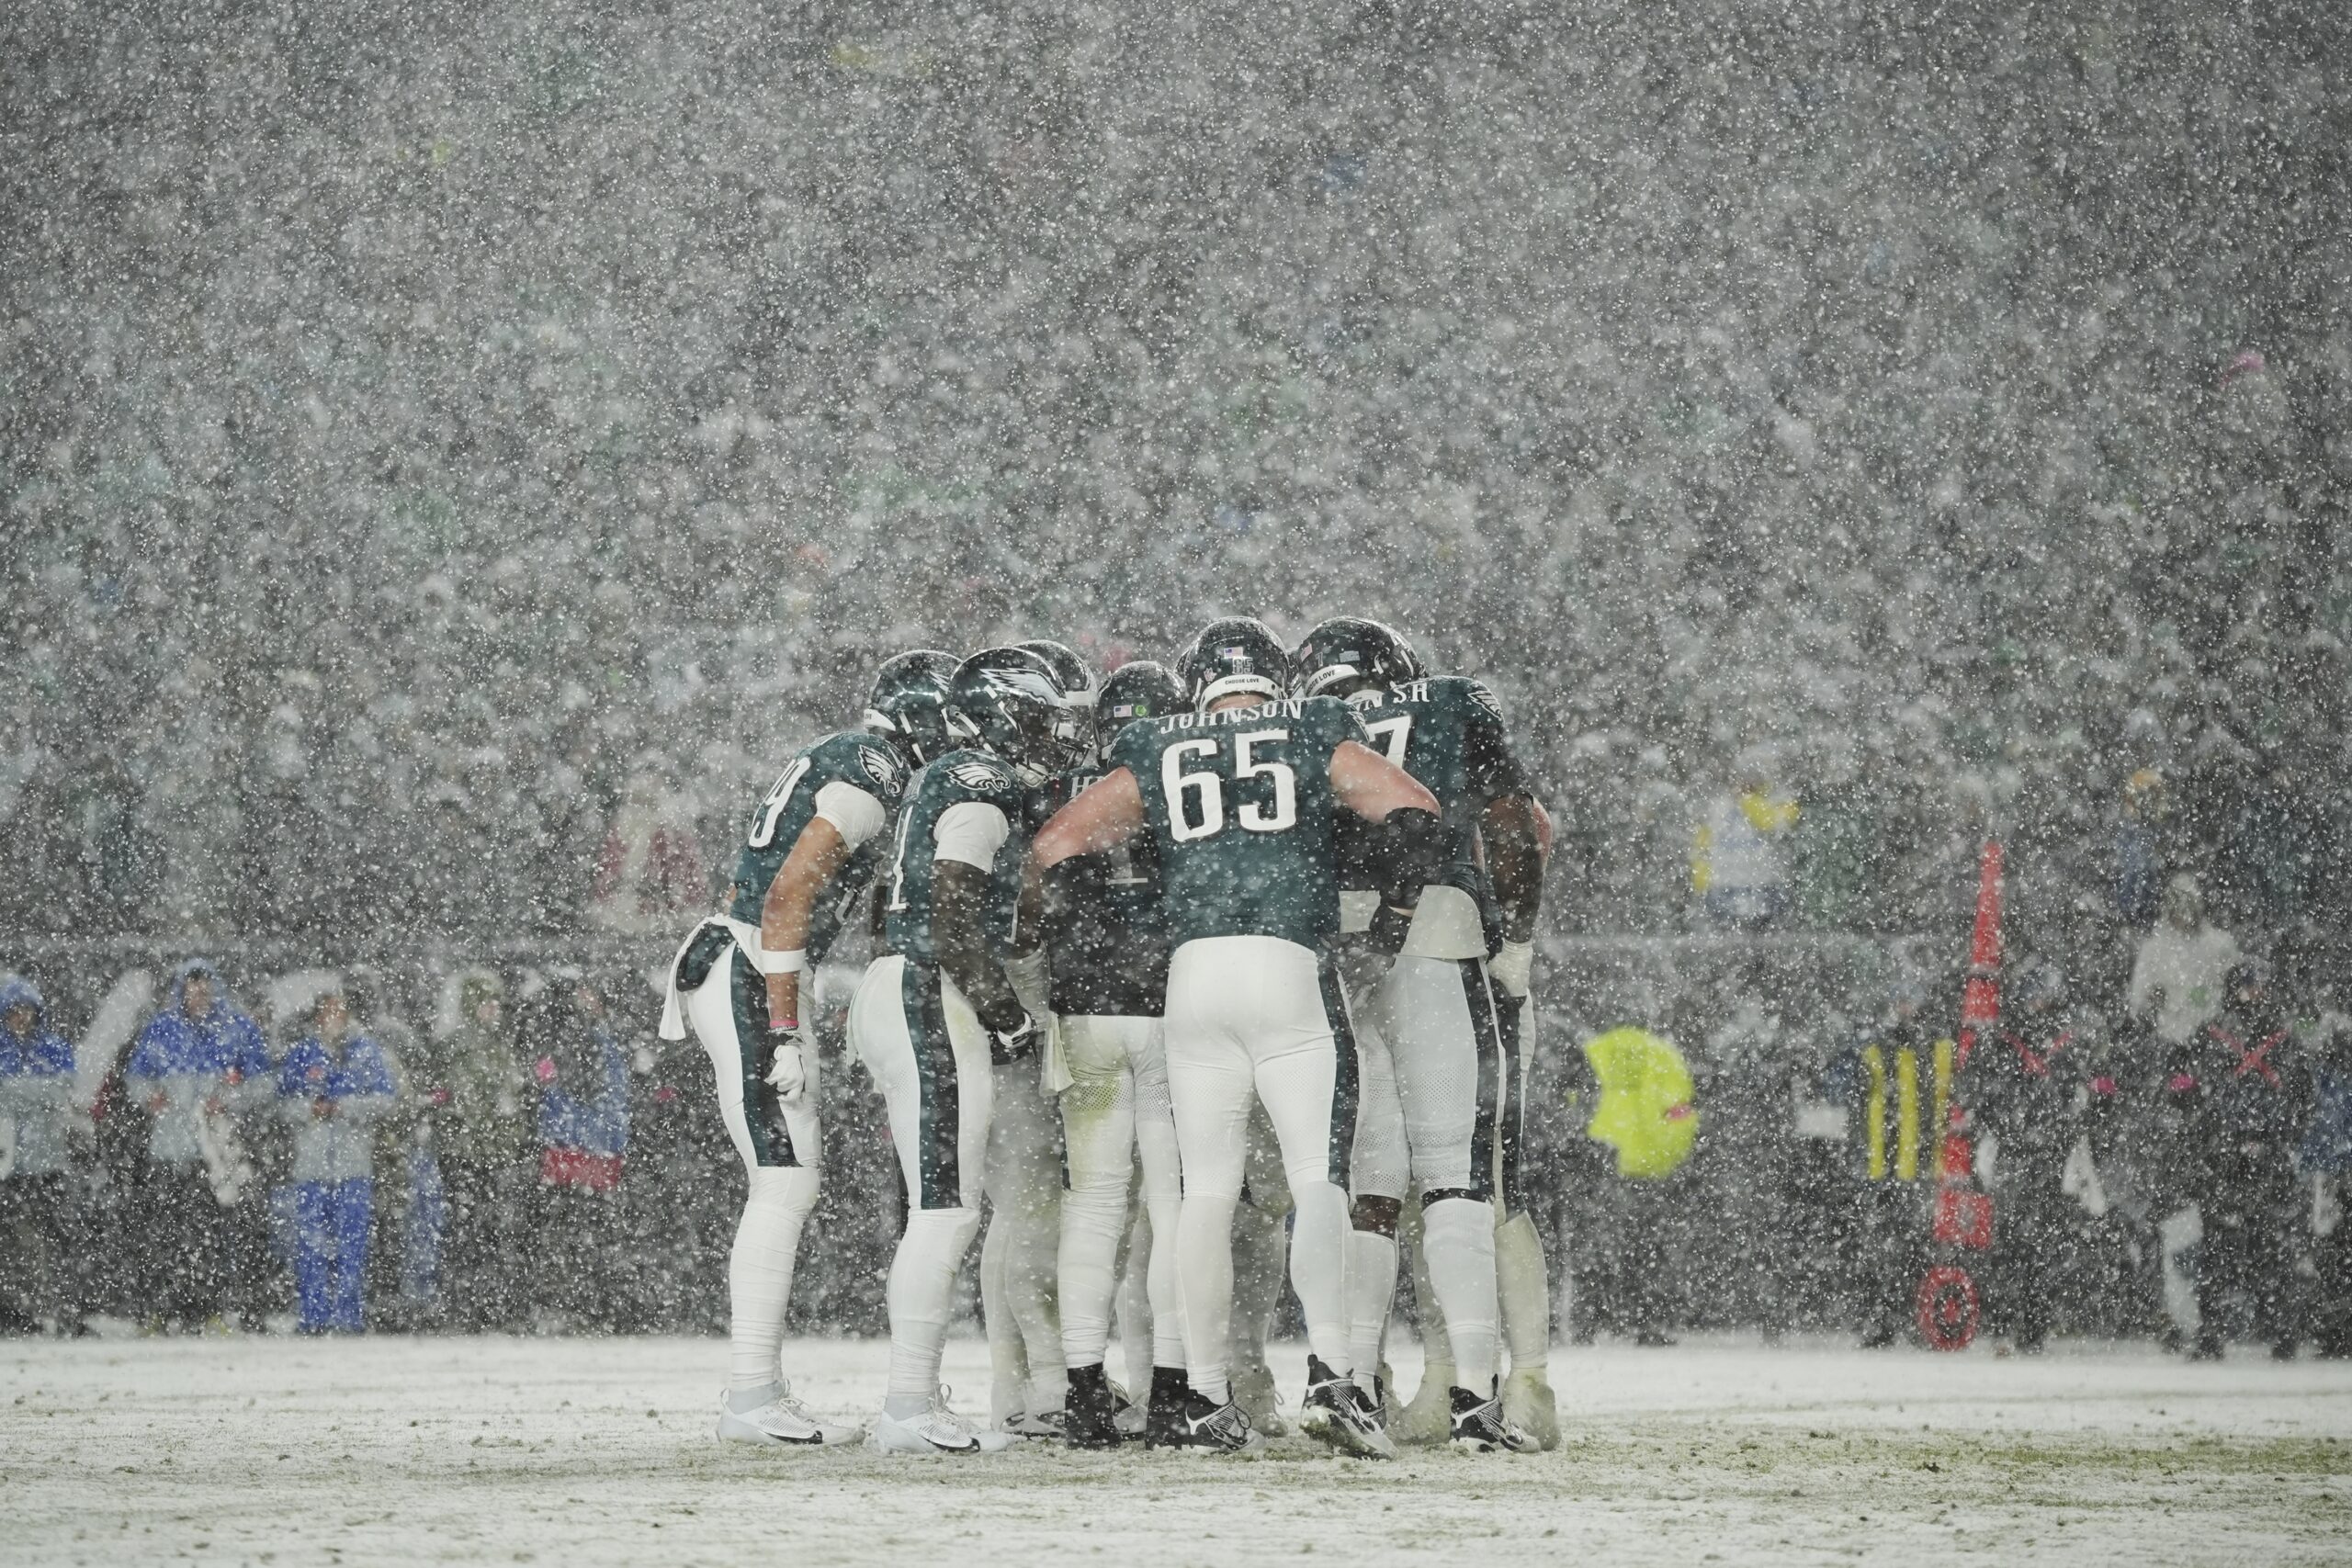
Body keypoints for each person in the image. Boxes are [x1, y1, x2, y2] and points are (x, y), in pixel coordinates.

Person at [1035, 615, 1442, 1457]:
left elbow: (1059, 841)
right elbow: (1413, 806)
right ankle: (1334, 1376)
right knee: (1317, 1177)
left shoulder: (1156, 740)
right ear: (1277, 679)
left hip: (1191, 978)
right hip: (1288, 964)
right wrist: (1390, 905)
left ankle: (1202, 1397)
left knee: (1206, 1191)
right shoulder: (1310, 726)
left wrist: (1125, 933)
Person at [657, 649, 944, 1447]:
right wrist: (785, 1026)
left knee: (787, 1180)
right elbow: (787, 895)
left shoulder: (851, 751)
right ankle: (750, 1394)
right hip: (755, 960)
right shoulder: (875, 765)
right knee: (783, 1181)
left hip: (755, 958)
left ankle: (758, 1387)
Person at [1290, 615, 1545, 1452]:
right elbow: (1514, 821)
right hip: (1437, 929)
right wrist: (1515, 939)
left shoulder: (1303, 727)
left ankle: (1354, 1380)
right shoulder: (1448, 703)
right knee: (1456, 1180)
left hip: (1338, 952)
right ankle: (1476, 1398)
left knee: (1369, 1186)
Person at [846, 646, 1084, 1455]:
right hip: (929, 988)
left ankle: (917, 1399)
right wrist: (1007, 1012)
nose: (1058, 739)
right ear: (1008, 713)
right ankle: (909, 1405)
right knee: (945, 1212)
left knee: (947, 1210)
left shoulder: (949, 775)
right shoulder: (981, 782)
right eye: (1047, 720)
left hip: (904, 980)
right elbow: (952, 913)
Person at [1039, 659, 1186, 1448]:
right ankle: (1171, 1387)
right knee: (1174, 1209)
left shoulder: (1069, 790)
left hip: (1086, 1006)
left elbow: (1040, 880)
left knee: (1093, 1210)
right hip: (1168, 1005)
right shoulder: (1185, 777)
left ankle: (1084, 1391)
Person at [2160, 958, 2313, 1359]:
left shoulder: (2284, 1041)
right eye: (2249, 987)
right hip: (2224, 1155)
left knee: (2273, 1250)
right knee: (2217, 1250)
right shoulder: (2211, 1036)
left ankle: (2282, 1335)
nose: (2255, 995)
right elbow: (2182, 1088)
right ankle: (2211, 1335)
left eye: (2261, 987)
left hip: (2269, 1156)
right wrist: (2204, 1130)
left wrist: (2281, 1138)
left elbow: (2302, 1098)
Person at [123, 961, 270, 1330]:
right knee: (165, 1232)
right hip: (170, 1147)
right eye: (192, 987)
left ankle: (208, 1310)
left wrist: (230, 1100)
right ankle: (161, 1310)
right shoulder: (161, 1029)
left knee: (212, 1233)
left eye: (205, 987)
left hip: (215, 1152)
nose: (199, 994)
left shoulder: (237, 1028)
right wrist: (148, 1096)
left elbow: (263, 1082)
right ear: (181, 990)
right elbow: (136, 1077)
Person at [1967, 957, 2092, 1353]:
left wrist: (2062, 1129)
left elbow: (2082, 1094)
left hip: (2051, 1152)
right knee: (2009, 1242)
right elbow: (1977, 1090)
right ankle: (2005, 1323)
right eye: (2035, 995)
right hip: (2015, 1149)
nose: (2041, 1003)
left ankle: (2034, 1326)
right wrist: (2006, 1125)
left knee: (2044, 1244)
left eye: (2047, 996)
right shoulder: (2004, 1042)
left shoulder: (2066, 1043)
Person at [1823, 978, 1949, 1348]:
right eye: (1901, 1001)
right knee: (1880, 1251)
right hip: (1882, 1166)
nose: (1906, 1009)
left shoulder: (1938, 1048)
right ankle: (1882, 1322)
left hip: (1922, 1166)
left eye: (1912, 1001)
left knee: (1914, 1250)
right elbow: (1838, 1086)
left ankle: (1916, 1320)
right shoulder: (1875, 1049)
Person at [275, 986, 396, 1334]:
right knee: (310, 1246)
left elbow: (386, 1099)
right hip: (311, 1165)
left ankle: (348, 1316)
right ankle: (313, 1316)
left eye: (340, 1011)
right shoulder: (302, 1054)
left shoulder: (366, 1053)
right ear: (318, 1016)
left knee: (351, 1246)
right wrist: (308, 1110)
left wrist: (346, 1107)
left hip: (353, 1165)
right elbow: (281, 1103)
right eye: (328, 1011)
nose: (335, 1018)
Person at [427, 970, 537, 1330]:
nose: (494, 1011)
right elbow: (464, 1101)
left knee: (490, 1234)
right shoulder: (459, 1048)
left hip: (494, 1153)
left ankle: (487, 1307)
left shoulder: (499, 1047)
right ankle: (463, 1308)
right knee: (467, 1233)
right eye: (487, 1004)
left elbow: (511, 1097)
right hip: (467, 1155)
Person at [528, 974, 630, 1327]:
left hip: (589, 1151)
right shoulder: (577, 1042)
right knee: (572, 1230)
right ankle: (574, 1304)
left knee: (585, 1231)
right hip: (577, 1151)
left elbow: (614, 1095)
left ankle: (584, 1305)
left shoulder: (604, 1042)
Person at [0, 976, 79, 1334]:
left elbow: (63, 1091)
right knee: (13, 1244)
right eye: (14, 1011)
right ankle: (17, 1311)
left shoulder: (55, 1048)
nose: (20, 1018)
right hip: (8, 1162)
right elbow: (53, 1093)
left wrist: (15, 1093)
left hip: (48, 1161)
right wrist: (40, 1095)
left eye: (26, 1011)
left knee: (55, 1240)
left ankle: (60, 1309)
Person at [2130, 875, 2239, 1054]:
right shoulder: (2153, 950)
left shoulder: (2217, 945)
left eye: (2187, 910)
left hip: (2210, 1038)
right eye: (2177, 911)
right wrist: (2152, 1001)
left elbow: (2233, 985)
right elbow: (2137, 1000)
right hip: (2164, 1037)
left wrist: (2212, 1000)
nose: (2183, 918)